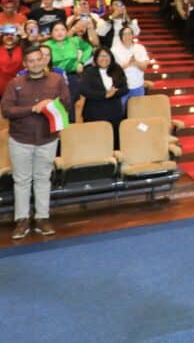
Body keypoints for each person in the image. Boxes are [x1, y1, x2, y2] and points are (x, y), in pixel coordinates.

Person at [2, 44, 72, 239]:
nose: (35, 63)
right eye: (30, 61)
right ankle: (21, 220)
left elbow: (67, 103)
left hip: (47, 139)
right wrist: (32, 108)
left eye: (38, 59)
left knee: (42, 179)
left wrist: (51, 104)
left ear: (44, 60)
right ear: (25, 63)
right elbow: (6, 110)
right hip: (20, 140)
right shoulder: (15, 83)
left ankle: (42, 218)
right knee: (22, 181)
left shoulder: (57, 80)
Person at [78, 47, 128, 148]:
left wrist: (113, 93)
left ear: (111, 58)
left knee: (114, 142)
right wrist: (104, 95)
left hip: (114, 112)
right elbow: (84, 90)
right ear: (96, 58)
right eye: (101, 56)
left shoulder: (117, 70)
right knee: (96, 143)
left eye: (107, 56)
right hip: (94, 113)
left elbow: (125, 88)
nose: (104, 58)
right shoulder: (89, 71)